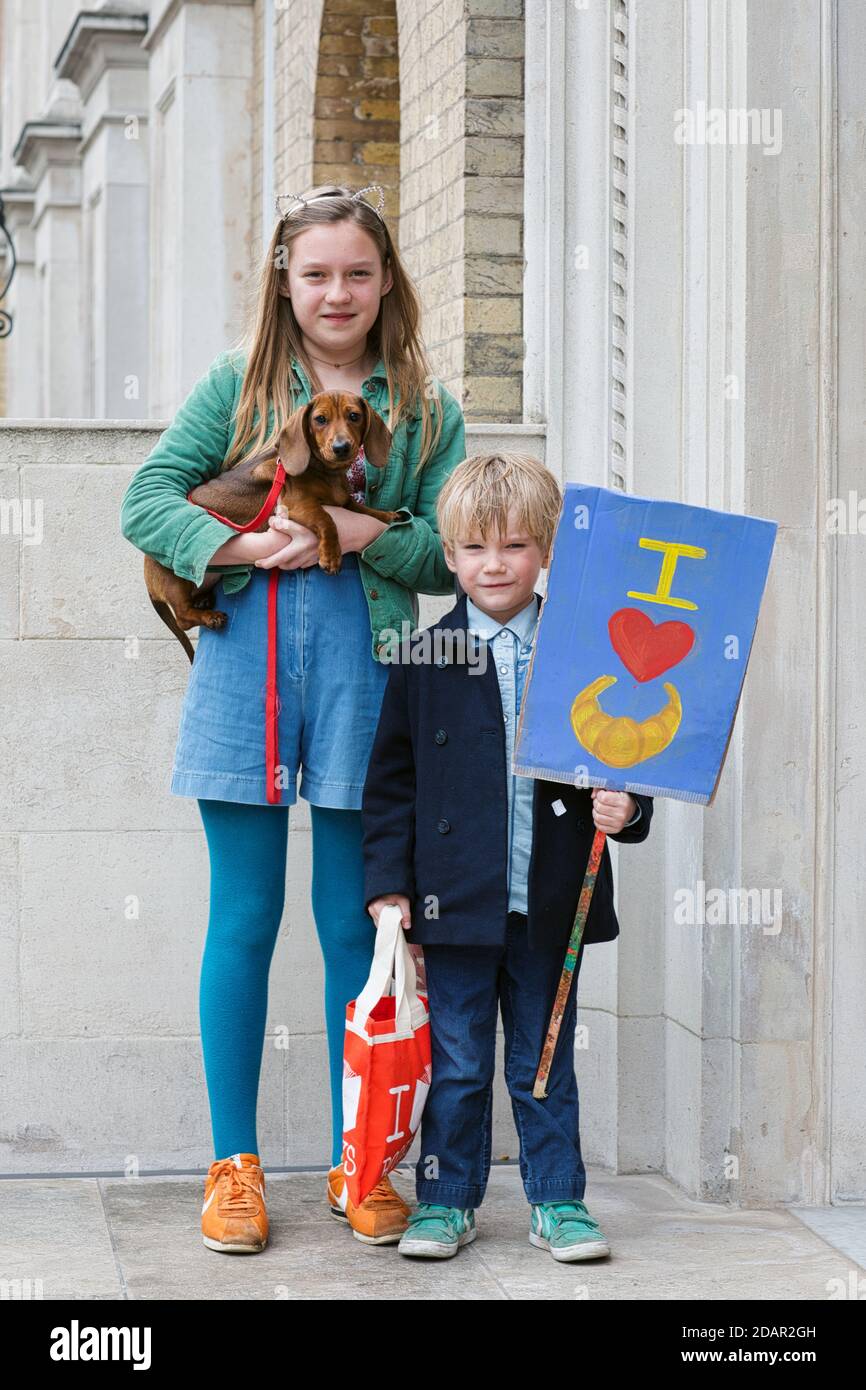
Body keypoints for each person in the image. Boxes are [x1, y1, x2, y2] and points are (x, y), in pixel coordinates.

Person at [119, 183, 466, 1253]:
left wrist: (361, 532)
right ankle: (233, 1167)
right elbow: (147, 499)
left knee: (355, 927)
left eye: (357, 273)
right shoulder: (239, 385)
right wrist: (237, 547)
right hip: (242, 673)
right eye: (315, 273)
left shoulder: (419, 406)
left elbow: (452, 547)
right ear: (284, 279)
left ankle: (358, 1162)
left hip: (368, 674)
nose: (336, 292)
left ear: (386, 282)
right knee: (245, 918)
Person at [362, 452, 654, 1262]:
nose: (496, 565)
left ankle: (558, 1200)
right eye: (477, 548)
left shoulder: (584, 650)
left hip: (550, 901)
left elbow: (629, 754)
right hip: (452, 906)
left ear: (549, 550)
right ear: (449, 556)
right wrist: (390, 890)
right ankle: (445, 1201)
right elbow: (390, 785)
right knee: (455, 1065)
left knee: (544, 1060)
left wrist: (627, 808)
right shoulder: (422, 654)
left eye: (517, 546)